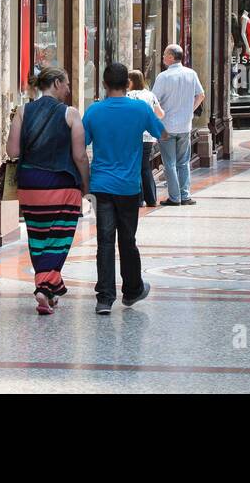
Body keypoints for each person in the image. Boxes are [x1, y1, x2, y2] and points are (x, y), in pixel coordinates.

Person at [82, 62, 166, 315]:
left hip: (102, 184)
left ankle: (105, 298)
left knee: (105, 241)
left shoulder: (94, 111)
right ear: (128, 84)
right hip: (129, 186)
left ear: (105, 84)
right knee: (127, 239)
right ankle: (132, 290)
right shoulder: (140, 108)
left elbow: (81, 144)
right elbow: (162, 133)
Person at [6, 67, 89, 315]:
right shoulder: (71, 114)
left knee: (38, 237)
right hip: (61, 183)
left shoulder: (23, 111)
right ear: (55, 83)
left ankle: (51, 291)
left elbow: (12, 152)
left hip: (30, 185)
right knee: (59, 239)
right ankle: (43, 288)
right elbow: (80, 156)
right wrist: (86, 184)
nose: (68, 89)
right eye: (66, 84)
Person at [151, 44, 205, 206]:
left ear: (171, 57)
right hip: (185, 125)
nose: (162, 57)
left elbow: (154, 100)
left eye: (165, 54)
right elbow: (201, 95)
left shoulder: (164, 77)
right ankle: (185, 195)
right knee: (183, 162)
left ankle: (175, 197)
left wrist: (158, 116)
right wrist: (190, 110)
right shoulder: (191, 74)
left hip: (167, 126)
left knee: (170, 163)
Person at [127, 69, 165, 207]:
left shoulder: (127, 95)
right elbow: (160, 114)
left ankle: (138, 199)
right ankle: (151, 198)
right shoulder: (150, 95)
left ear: (130, 81)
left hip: (132, 136)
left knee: (135, 167)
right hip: (148, 137)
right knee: (145, 167)